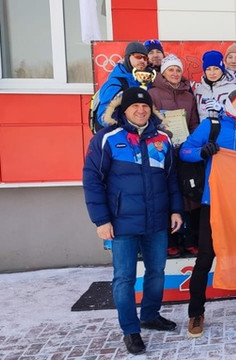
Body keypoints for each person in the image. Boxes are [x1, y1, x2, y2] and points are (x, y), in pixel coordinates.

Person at [82, 87, 183, 355]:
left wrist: (176, 210)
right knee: (124, 278)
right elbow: (92, 181)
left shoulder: (162, 139)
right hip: (122, 223)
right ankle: (130, 329)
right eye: (135, 107)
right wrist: (101, 219)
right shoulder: (107, 139)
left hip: (156, 221)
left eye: (146, 106)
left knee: (156, 272)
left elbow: (171, 179)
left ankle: (150, 315)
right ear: (123, 110)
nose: (141, 110)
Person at [181, 88, 236, 337]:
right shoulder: (211, 125)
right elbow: (185, 151)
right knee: (205, 257)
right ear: (230, 102)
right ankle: (196, 313)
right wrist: (201, 153)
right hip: (213, 202)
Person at [148, 54, 201, 258]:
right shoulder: (153, 93)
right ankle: (171, 239)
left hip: (184, 151)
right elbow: (149, 119)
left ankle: (189, 238)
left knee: (188, 194)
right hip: (162, 150)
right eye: (171, 70)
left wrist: (193, 142)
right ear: (164, 72)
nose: (175, 74)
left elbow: (194, 122)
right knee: (167, 193)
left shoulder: (188, 95)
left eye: (178, 70)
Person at [95, 42, 149, 129]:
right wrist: (126, 127)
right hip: (121, 136)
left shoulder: (145, 81)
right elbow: (104, 117)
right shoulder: (116, 83)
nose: (142, 61)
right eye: (138, 57)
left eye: (145, 58)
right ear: (128, 57)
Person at [194, 50, 236, 118]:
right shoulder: (198, 91)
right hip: (205, 128)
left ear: (222, 70)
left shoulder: (234, 90)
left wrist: (222, 109)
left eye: (216, 69)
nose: (212, 73)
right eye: (208, 69)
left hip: (225, 128)